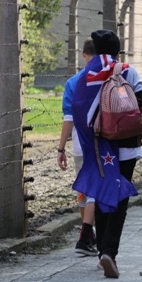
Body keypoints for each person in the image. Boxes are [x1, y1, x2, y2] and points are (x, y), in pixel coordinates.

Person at [72, 30, 142, 278]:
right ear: (118, 51)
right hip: (126, 146)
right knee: (119, 201)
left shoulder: (84, 77)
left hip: (97, 149)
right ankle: (109, 252)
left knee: (101, 195)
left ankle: (102, 252)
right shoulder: (126, 70)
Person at [57, 37, 97, 256]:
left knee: (84, 187)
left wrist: (61, 148)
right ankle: (86, 235)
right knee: (98, 188)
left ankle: (87, 235)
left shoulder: (73, 82)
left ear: (83, 54)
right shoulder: (107, 77)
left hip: (80, 144)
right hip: (104, 143)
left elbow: (68, 117)